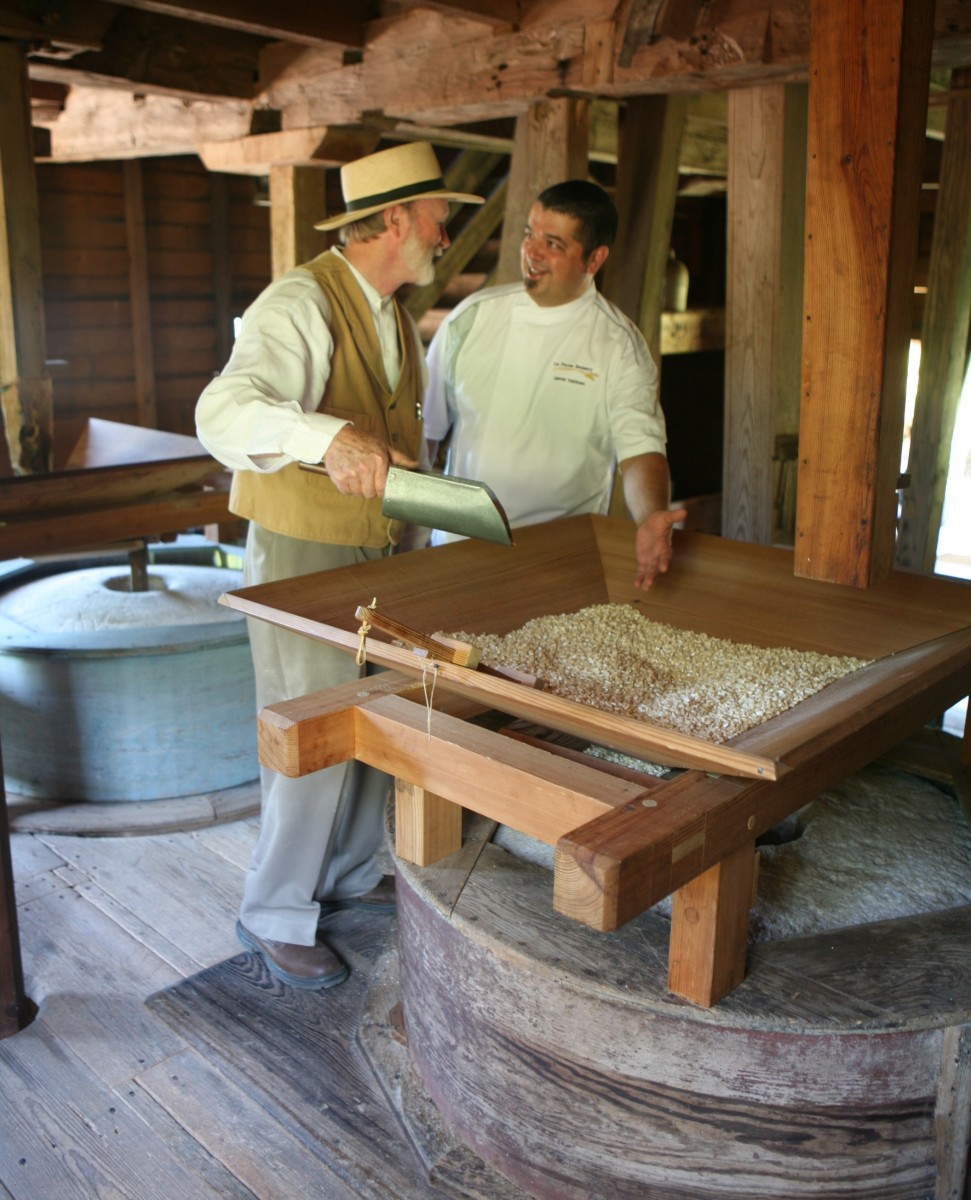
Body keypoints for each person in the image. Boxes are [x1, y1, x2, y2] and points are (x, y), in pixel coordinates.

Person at [195, 142, 484, 989]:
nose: (444, 231)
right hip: (304, 552)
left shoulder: (392, 312)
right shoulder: (301, 301)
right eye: (438, 215)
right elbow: (225, 411)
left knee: (369, 717)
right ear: (396, 220)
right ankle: (274, 910)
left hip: (377, 546)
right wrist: (330, 437)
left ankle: (352, 873)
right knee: (309, 727)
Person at [423, 179, 686, 590]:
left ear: (594, 258)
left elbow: (642, 451)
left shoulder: (618, 344)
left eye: (553, 244)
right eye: (530, 235)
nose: (532, 253)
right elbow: (427, 433)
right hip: (458, 549)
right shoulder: (472, 318)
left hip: (559, 561)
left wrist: (651, 515)